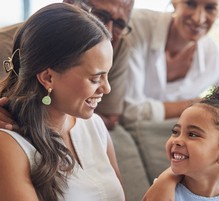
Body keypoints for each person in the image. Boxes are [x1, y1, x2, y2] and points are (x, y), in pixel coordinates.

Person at [0, 3, 211, 201]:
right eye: (95, 78)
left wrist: (169, 182)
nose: (107, 88)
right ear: (48, 78)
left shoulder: (95, 127)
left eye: (107, 75)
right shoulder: (9, 147)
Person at [0, 0, 134, 131]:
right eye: (100, 15)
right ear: (69, 3)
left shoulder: (117, 44)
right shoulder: (5, 44)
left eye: (119, 24)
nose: (108, 31)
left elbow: (110, 117)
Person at [121, 0, 219, 124]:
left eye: (210, 8)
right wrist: (200, 104)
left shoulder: (213, 57)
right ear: (174, 2)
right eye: (190, 3)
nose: (198, 19)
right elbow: (129, 111)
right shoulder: (138, 26)